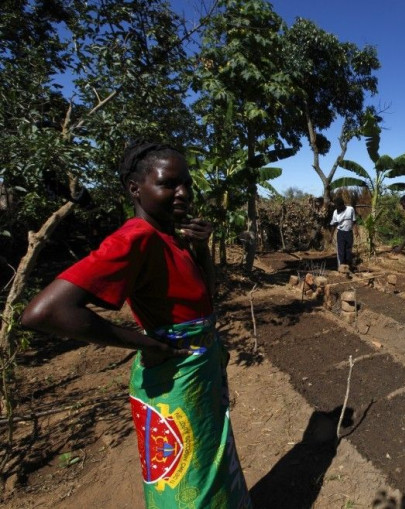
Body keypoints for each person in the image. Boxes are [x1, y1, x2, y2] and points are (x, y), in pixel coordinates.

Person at [21, 142, 253, 508]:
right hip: (174, 378)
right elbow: (44, 312)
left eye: (187, 184)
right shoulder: (135, 238)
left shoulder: (169, 238)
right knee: (188, 484)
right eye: (169, 184)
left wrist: (201, 249)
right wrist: (149, 344)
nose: (184, 193)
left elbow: (206, 297)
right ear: (135, 188)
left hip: (195, 374)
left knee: (209, 466)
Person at [330, 196, 356, 269]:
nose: (336, 208)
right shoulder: (335, 212)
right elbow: (333, 225)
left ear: (342, 205)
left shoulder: (350, 209)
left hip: (349, 233)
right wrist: (331, 236)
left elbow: (354, 221)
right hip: (341, 233)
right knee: (341, 251)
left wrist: (356, 231)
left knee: (348, 250)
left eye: (338, 206)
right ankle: (341, 267)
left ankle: (348, 266)